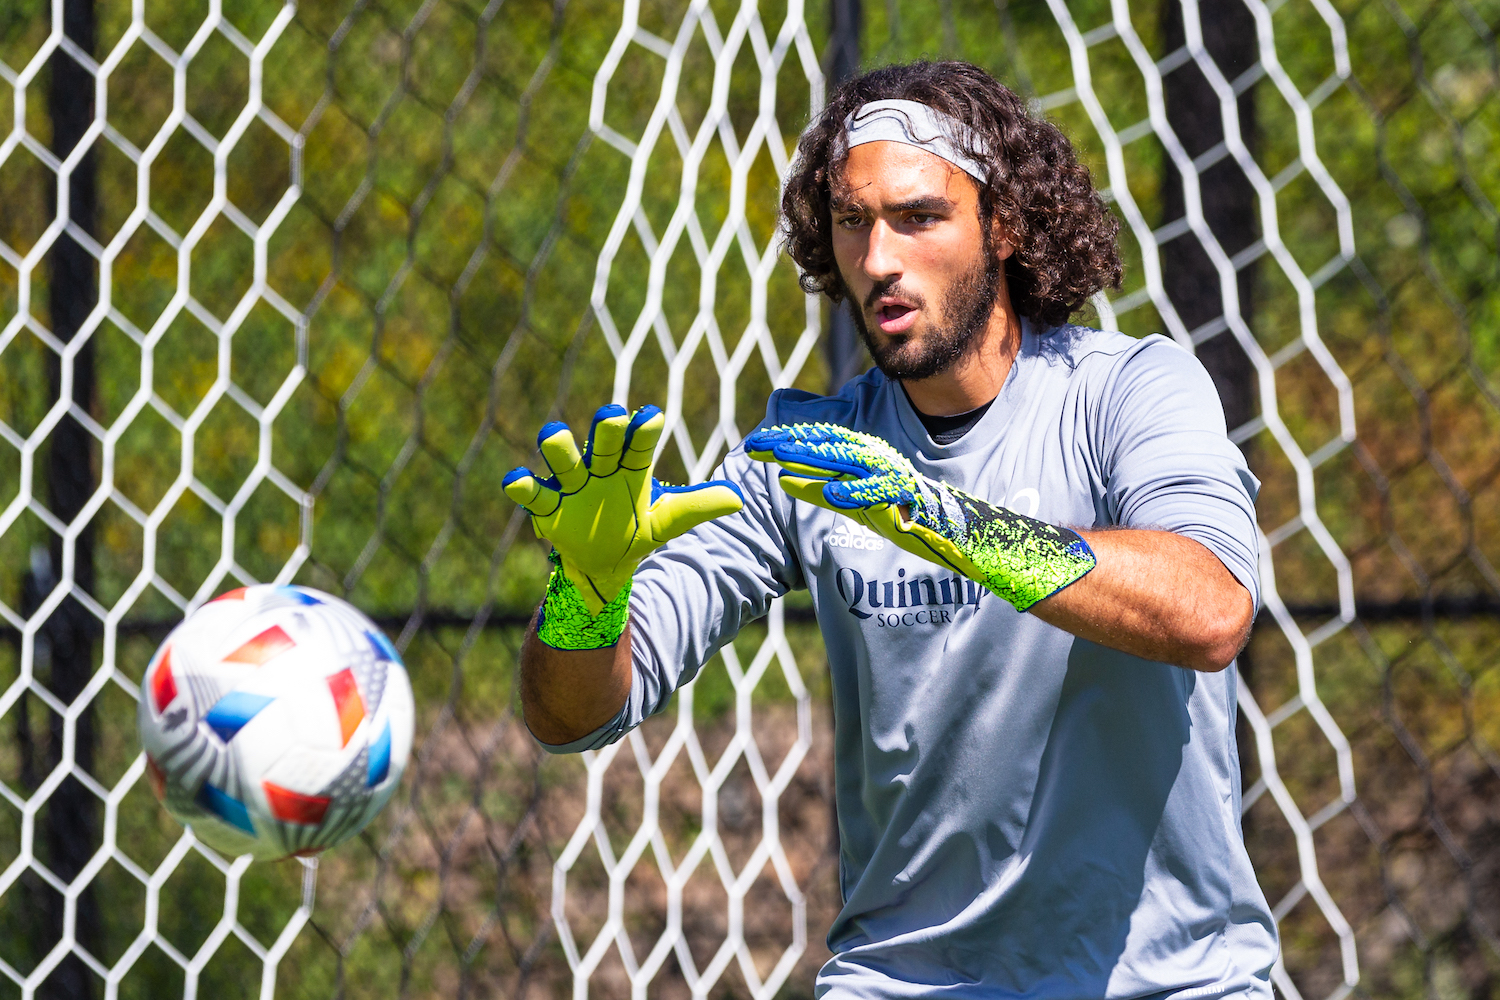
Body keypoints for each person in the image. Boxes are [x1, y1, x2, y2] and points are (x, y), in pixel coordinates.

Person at [503, 60, 1277, 1000]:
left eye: (918, 217)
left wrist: (934, 519)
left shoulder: (1129, 391)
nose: (878, 260)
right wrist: (585, 596)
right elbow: (570, 713)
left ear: (1005, 226)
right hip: (904, 983)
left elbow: (1208, 610)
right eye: (854, 223)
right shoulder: (814, 458)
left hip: (1173, 983)